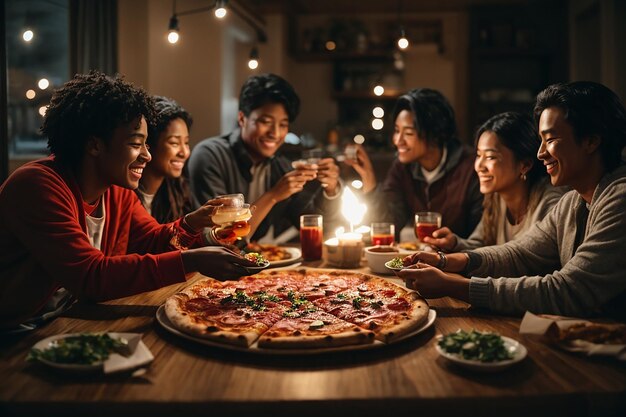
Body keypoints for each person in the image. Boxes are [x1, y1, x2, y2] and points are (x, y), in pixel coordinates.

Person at [0, 71, 255, 329]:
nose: (147, 155)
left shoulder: (116, 191)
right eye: (136, 143)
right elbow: (90, 276)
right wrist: (193, 260)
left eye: (146, 144)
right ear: (94, 145)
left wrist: (194, 224)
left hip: (72, 319)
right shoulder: (37, 185)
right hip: (18, 331)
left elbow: (152, 241)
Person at [399, 81, 626, 319]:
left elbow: (568, 290)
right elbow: (517, 254)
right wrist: (443, 260)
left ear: (591, 140)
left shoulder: (619, 198)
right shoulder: (571, 202)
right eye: (540, 140)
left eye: (550, 139)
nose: (541, 153)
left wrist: (451, 285)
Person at [188, 73, 342, 242]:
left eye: (283, 124)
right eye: (265, 121)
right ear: (242, 118)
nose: (275, 133)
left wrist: (331, 189)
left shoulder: (280, 166)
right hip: (210, 266)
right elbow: (221, 238)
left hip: (265, 261)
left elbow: (318, 229)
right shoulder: (210, 155)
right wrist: (273, 195)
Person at [345, 88, 483, 240]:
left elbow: (480, 237)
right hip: (420, 259)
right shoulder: (402, 168)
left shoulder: (471, 167)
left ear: (435, 134)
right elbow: (387, 226)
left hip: (459, 259)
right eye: (397, 131)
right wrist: (369, 179)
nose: (397, 141)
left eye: (409, 133)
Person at [424, 112, 564, 252]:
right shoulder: (496, 197)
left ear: (525, 165)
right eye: (479, 155)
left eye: (490, 157)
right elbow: (480, 244)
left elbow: (524, 259)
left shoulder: (551, 204)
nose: (479, 166)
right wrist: (454, 243)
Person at [135, 96, 195, 223]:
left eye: (186, 143)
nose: (184, 153)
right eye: (174, 143)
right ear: (148, 143)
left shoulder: (178, 192)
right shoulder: (125, 195)